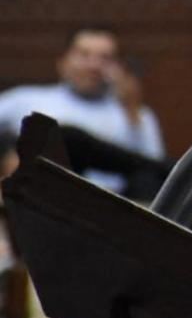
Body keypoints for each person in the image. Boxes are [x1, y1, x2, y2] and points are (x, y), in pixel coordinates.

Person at [0, 26, 165, 196]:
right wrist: (7, 154)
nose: (93, 65)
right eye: (84, 55)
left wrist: (132, 113)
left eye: (105, 58)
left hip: (114, 206)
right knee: (67, 138)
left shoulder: (135, 113)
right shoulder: (25, 99)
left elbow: (153, 170)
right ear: (62, 62)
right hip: (49, 198)